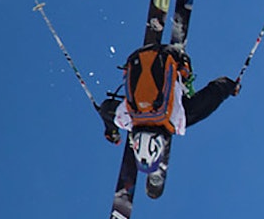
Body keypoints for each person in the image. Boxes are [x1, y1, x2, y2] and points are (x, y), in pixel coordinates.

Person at [95, 44, 239, 144]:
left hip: (173, 55)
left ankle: (182, 78)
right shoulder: (127, 118)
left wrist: (230, 86)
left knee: (185, 95)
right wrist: (111, 130)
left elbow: (213, 95)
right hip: (134, 57)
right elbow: (106, 109)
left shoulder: (178, 119)